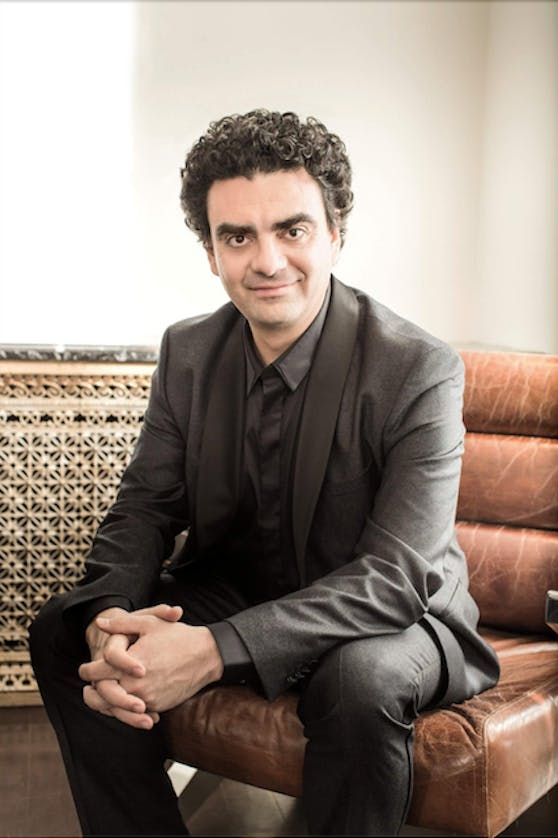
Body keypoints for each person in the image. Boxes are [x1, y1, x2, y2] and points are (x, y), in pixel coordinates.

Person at [29, 109, 499, 837]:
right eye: (238, 237)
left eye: (293, 230)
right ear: (210, 252)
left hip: (394, 618)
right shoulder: (187, 352)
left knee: (360, 679)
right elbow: (145, 508)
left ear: (336, 232)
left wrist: (214, 650)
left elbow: (395, 579)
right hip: (240, 590)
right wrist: (109, 621)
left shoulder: (418, 368)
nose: (268, 261)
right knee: (65, 629)